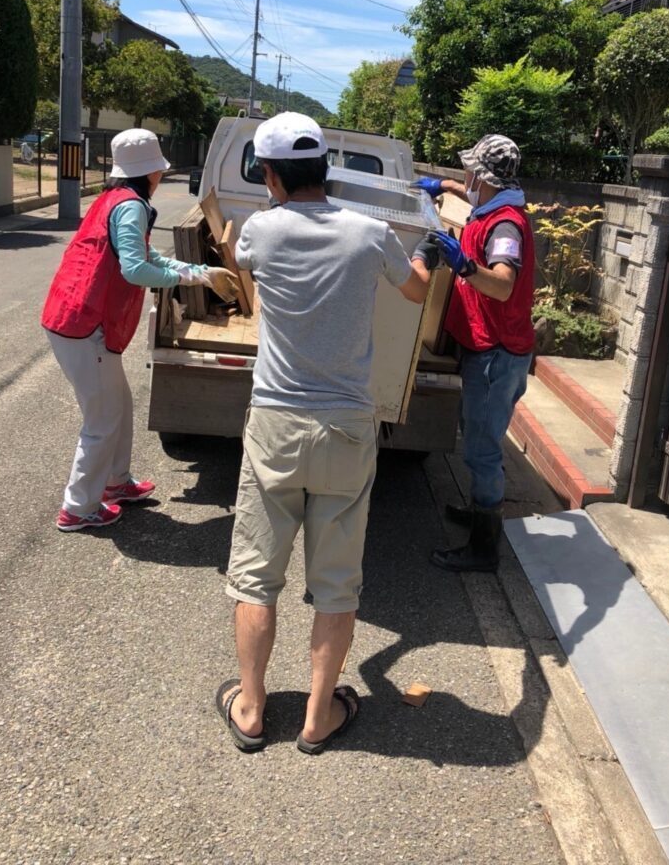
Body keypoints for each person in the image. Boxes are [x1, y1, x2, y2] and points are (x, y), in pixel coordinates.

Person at [216, 111, 434, 755]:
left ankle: (252, 711)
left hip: (276, 423)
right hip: (346, 425)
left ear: (272, 175)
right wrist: (427, 249)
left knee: (256, 577)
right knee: (337, 583)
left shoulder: (260, 230)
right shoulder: (369, 234)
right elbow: (417, 292)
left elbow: (239, 256)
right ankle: (318, 718)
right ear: (326, 170)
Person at [42, 128, 237, 532]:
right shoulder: (130, 206)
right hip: (84, 321)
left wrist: (200, 273)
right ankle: (78, 507)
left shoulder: (116, 198)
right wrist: (191, 279)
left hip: (75, 316)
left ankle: (115, 484)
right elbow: (135, 269)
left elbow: (145, 256)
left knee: (119, 406)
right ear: (151, 172)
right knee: (101, 419)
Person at [414, 135, 535, 573]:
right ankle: (482, 510)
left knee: (482, 449)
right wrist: (438, 185)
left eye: (468, 171)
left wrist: (464, 265)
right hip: (489, 348)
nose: (465, 177)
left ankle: (485, 547)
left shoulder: (505, 226)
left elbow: (502, 284)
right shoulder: (490, 202)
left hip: (496, 354)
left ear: (483, 177)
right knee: (476, 435)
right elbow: (462, 190)